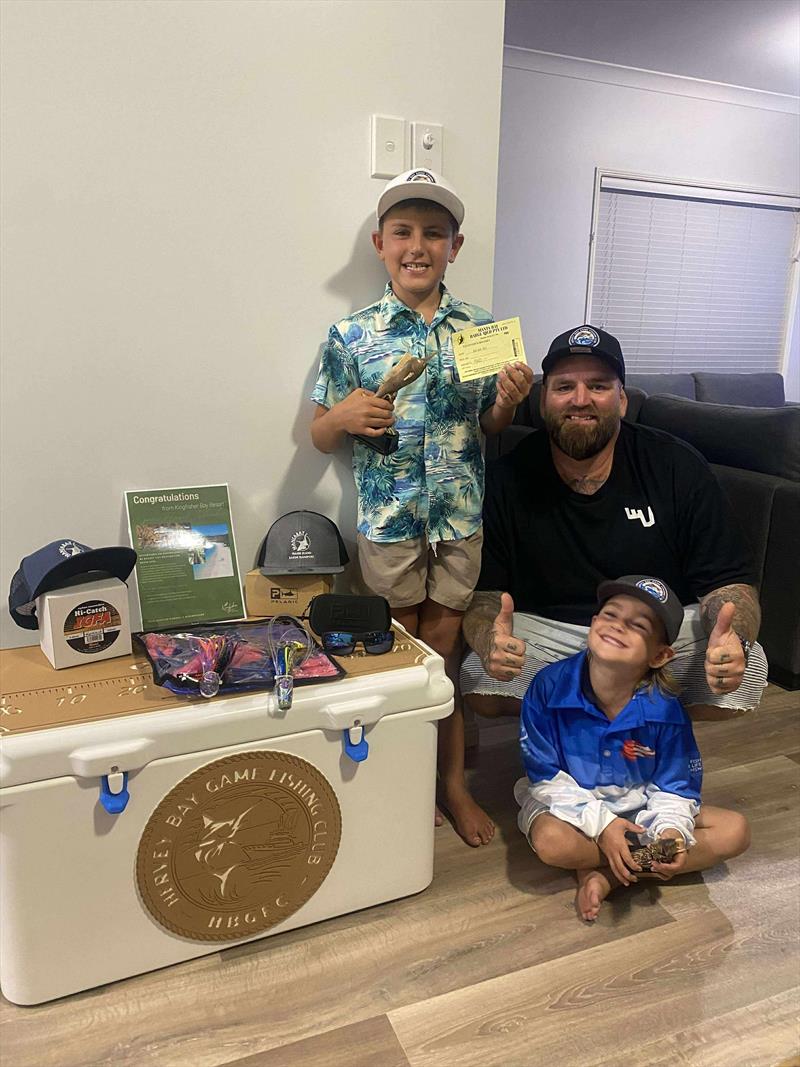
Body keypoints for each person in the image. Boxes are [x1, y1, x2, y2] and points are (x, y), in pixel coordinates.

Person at [310, 169, 534, 846]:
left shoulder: (482, 329)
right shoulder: (352, 334)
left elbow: (488, 426)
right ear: (381, 243)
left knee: (439, 659)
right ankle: (396, 781)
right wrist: (344, 414)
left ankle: (451, 783)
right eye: (403, 232)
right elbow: (320, 433)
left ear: (454, 246)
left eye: (433, 233)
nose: (418, 245)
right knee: (393, 654)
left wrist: (508, 402)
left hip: (459, 523)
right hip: (389, 527)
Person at [462, 324, 768, 721]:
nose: (581, 399)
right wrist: (491, 641)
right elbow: (486, 598)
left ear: (622, 400)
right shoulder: (506, 478)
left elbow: (730, 586)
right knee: (479, 678)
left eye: (599, 386)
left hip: (651, 639)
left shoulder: (676, 466)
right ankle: (603, 730)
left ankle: (625, 728)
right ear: (543, 402)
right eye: (564, 387)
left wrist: (734, 638)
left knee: (745, 671)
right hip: (554, 636)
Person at [516, 574, 751, 921]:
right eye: (610, 615)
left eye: (637, 625)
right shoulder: (548, 687)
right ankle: (623, 862)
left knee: (736, 832)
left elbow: (675, 786)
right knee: (552, 843)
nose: (618, 626)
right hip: (569, 809)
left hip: (639, 807)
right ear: (593, 624)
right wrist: (604, 826)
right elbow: (544, 776)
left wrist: (670, 831)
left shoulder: (666, 710)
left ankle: (608, 873)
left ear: (660, 655)